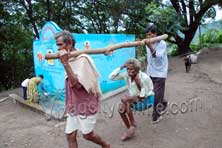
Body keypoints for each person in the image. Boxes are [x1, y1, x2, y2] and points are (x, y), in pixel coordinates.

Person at [55, 30, 110, 148]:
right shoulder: (68, 59)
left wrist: (65, 64)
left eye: (60, 45)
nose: (58, 49)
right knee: (70, 135)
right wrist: (66, 62)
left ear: (69, 43)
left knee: (87, 135)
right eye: (57, 45)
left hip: (85, 104)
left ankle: (106, 145)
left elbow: (77, 85)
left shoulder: (83, 59)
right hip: (73, 105)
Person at [109, 58, 154, 141]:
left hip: (147, 100)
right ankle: (130, 129)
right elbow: (111, 77)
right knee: (121, 109)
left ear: (137, 70)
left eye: (132, 70)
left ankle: (133, 123)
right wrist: (122, 67)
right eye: (128, 69)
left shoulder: (144, 78)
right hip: (136, 99)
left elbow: (147, 93)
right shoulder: (127, 75)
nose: (129, 72)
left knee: (125, 99)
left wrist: (135, 97)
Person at [144, 24, 168, 124]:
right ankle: (164, 103)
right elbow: (149, 59)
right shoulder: (147, 43)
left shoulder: (162, 43)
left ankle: (156, 116)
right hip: (151, 72)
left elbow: (157, 57)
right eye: (147, 35)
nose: (149, 37)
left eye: (150, 35)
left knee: (156, 97)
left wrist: (150, 47)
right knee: (153, 93)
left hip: (160, 73)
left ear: (155, 33)